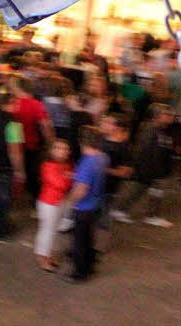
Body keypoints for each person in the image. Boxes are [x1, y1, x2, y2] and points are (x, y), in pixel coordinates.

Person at [116, 103, 175, 227]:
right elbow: (145, 151)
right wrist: (146, 168)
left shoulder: (162, 131)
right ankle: (149, 215)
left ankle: (126, 210)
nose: (170, 117)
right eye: (166, 114)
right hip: (150, 169)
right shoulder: (150, 131)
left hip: (155, 170)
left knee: (144, 190)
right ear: (157, 116)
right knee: (146, 190)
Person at [63, 125, 109, 281]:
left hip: (83, 207)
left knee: (79, 242)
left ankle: (80, 273)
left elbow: (81, 189)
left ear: (83, 143)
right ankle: (90, 265)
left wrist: (69, 201)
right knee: (89, 238)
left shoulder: (86, 162)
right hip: (96, 204)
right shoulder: (103, 157)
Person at [0, 92, 25, 242]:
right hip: (6, 167)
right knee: (4, 199)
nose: (18, 105)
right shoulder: (14, 125)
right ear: (6, 104)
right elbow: (15, 152)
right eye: (14, 103)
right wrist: (20, 170)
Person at [11, 75, 52, 205]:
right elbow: (45, 126)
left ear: (17, 87)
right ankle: (36, 202)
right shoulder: (36, 105)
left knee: (14, 171)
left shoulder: (12, 104)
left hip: (13, 144)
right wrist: (51, 142)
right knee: (32, 174)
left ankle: (13, 197)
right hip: (31, 145)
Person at [35, 138, 73, 272]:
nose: (63, 151)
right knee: (47, 231)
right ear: (52, 150)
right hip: (49, 203)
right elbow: (61, 184)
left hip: (58, 202)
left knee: (51, 231)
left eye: (65, 149)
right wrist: (68, 177)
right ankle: (43, 259)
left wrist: (67, 177)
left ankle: (45, 255)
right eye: (59, 148)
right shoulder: (48, 166)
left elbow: (66, 183)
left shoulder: (66, 165)